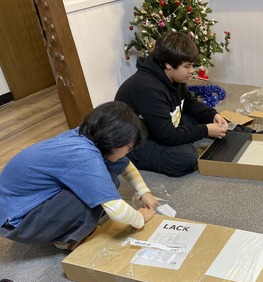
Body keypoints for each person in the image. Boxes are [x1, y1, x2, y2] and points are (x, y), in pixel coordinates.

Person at [0, 101, 158, 250]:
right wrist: (141, 218)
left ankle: (67, 227)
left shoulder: (86, 135)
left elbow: (125, 165)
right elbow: (117, 211)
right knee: (95, 194)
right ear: (114, 142)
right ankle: (66, 240)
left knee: (107, 179)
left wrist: (144, 192)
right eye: (129, 148)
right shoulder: (84, 156)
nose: (128, 153)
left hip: (20, 205)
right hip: (16, 222)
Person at [115, 32, 228, 177]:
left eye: (192, 65)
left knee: (204, 120)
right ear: (168, 64)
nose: (191, 71)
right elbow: (167, 135)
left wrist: (213, 115)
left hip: (156, 126)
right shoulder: (148, 89)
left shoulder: (174, 77)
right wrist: (205, 131)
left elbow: (188, 103)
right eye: (187, 66)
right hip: (134, 143)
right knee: (186, 158)